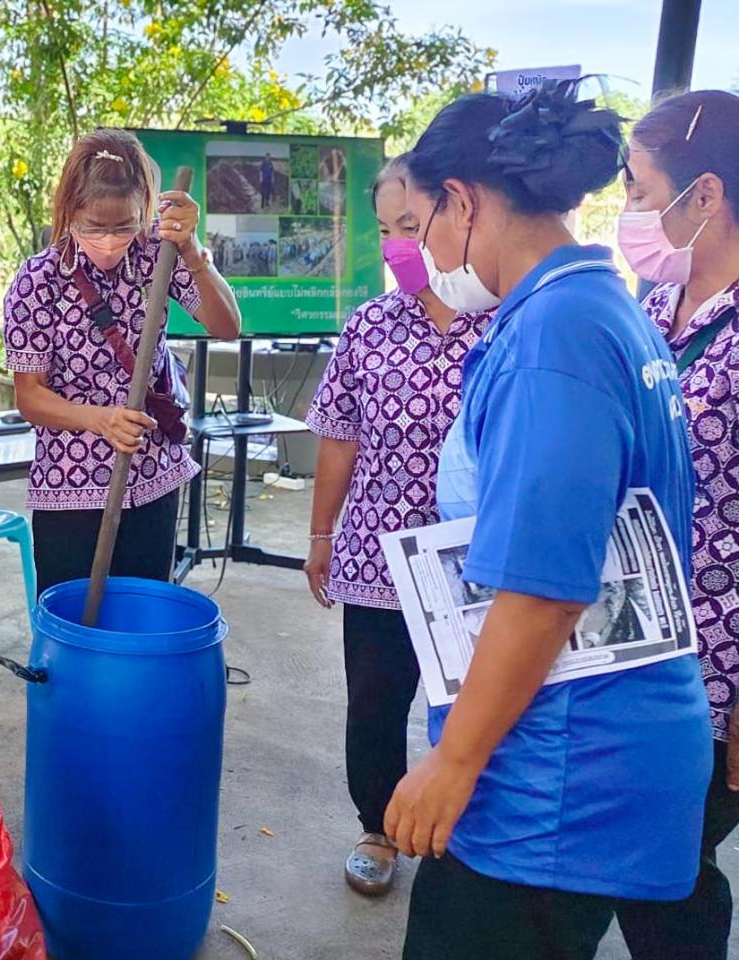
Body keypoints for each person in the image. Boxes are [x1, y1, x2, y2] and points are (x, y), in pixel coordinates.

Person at [383, 81, 712, 960]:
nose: (423, 252)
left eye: (420, 226)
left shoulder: (555, 337)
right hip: (577, 743)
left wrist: (451, 765)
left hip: (558, 771)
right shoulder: (598, 308)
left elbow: (542, 589)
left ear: (464, 201)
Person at [305, 154, 492, 898]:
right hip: (378, 557)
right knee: (376, 700)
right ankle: (378, 825)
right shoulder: (370, 326)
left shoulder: (509, 320)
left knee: (472, 704)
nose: (398, 247)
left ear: (460, 214)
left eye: (410, 226)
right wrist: (321, 537)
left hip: (480, 567)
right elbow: (338, 435)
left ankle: (465, 830)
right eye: (386, 231)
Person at [4, 128, 241, 595]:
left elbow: (226, 326)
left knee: (142, 611)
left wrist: (193, 253)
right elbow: (30, 397)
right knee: (73, 616)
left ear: (145, 213)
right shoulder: (39, 280)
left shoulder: (161, 253)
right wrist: (101, 421)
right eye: (93, 226)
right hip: (70, 486)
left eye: (125, 225)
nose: (110, 241)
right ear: (69, 211)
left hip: (152, 477)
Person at [614, 89, 739, 960]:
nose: (628, 209)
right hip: (636, 638)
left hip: (719, 669)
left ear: (705, 197)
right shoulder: (656, 307)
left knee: (672, 861)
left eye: (638, 186)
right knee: (644, 857)